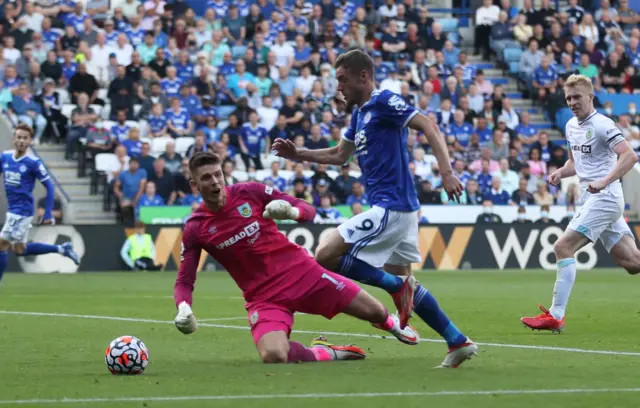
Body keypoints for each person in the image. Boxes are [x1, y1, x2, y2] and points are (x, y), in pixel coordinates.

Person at [272, 49, 477, 367]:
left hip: (391, 208)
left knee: (326, 252)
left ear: (363, 77)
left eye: (342, 80)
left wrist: (447, 172)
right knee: (411, 288)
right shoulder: (359, 114)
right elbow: (340, 155)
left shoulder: (383, 101)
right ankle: (456, 340)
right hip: (400, 211)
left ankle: (396, 287)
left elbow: (428, 126)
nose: (338, 88)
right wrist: (298, 153)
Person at [173, 152, 420, 364]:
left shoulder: (251, 192)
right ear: (194, 185)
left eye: (218, 174)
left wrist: (292, 211)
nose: (215, 181)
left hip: (303, 274)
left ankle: (391, 324)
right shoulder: (196, 228)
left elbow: (308, 211)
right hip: (263, 296)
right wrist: (183, 307)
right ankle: (324, 353)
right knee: (273, 355)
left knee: (376, 311)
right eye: (207, 178)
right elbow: (185, 280)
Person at [521, 75, 640, 333]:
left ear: (590, 97)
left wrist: (604, 180)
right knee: (632, 262)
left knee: (563, 246)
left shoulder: (601, 124)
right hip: (594, 198)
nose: (573, 102)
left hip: (605, 197)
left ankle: (556, 315)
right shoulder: (571, 126)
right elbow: (575, 164)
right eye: (569, 98)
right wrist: (560, 173)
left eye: (577, 97)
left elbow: (629, 156)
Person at [0, 125, 80, 283]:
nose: (21, 141)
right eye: (19, 137)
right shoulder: (5, 157)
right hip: (12, 209)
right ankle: (62, 249)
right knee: (19, 249)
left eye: (25, 138)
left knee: (2, 245)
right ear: (14, 139)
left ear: (30, 141)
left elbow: (50, 186)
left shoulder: (33, 162)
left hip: (22, 210)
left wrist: (48, 212)